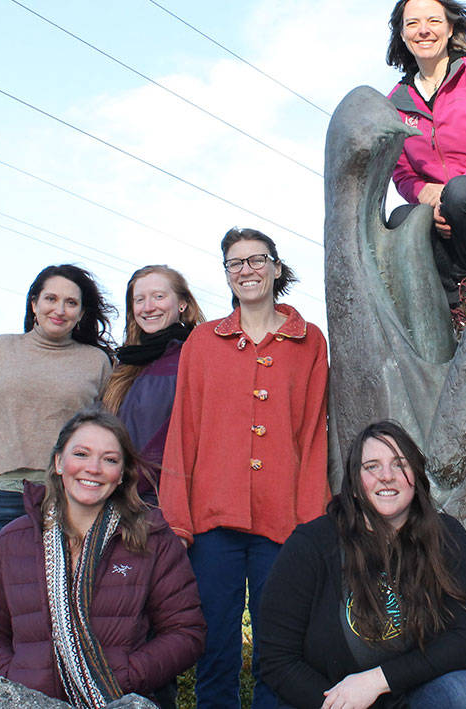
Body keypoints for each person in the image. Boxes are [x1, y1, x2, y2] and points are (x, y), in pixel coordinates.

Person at [160, 227, 330, 709]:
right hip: (212, 522)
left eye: (257, 260)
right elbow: (183, 433)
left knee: (279, 648)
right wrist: (178, 519)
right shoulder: (202, 342)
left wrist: (313, 524)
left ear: (276, 268)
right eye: (235, 263)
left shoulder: (309, 341)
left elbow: (315, 434)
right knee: (215, 647)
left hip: (285, 524)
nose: (247, 270)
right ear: (227, 275)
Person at [0, 410, 205, 708]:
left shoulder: (153, 539)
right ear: (58, 463)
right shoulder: (12, 541)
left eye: (110, 459)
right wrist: (17, 683)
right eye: (81, 454)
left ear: (121, 475)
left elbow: (186, 632)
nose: (93, 468)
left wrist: (124, 678)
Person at [256, 420, 466, 709]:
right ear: (355, 485)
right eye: (371, 466)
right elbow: (276, 658)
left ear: (416, 477)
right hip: (329, 701)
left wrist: (375, 680)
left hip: (412, 696)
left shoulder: (446, 538)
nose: (387, 476)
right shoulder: (311, 545)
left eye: (399, 464)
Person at [0, 263, 114, 592]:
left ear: (82, 312)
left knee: (58, 614)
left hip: (69, 505)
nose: (59, 309)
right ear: (33, 304)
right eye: (51, 298)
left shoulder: (97, 362)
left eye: (71, 302)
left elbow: (109, 436)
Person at [385, 0, 466, 332]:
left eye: (433, 21)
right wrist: (430, 196)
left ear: (451, 28)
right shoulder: (395, 101)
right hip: (442, 208)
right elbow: (402, 173)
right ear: (402, 34)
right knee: (401, 218)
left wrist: (451, 193)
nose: (423, 30)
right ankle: (450, 310)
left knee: (462, 192)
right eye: (412, 23)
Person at [102, 265, 206, 497]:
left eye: (159, 296)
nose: (148, 307)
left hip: (165, 497)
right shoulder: (124, 366)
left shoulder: (194, 359)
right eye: (139, 299)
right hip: (116, 495)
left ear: (182, 304)